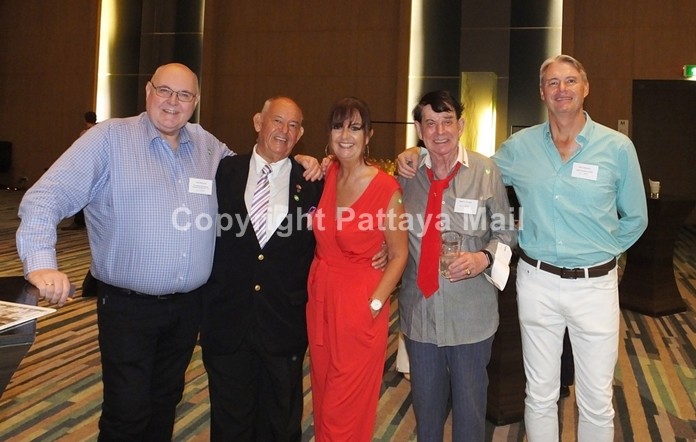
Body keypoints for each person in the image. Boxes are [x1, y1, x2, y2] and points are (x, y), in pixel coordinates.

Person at [16, 63, 321, 441]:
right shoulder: (109, 138)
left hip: (187, 309)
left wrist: (298, 162)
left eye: (184, 95)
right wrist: (41, 263)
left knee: (164, 404)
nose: (173, 102)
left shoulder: (206, 146)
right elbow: (45, 198)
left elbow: (260, 166)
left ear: (196, 101)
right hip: (129, 307)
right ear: (148, 91)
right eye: (165, 91)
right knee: (127, 412)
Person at [397, 55, 648, 442]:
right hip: (538, 282)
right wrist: (418, 152)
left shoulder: (617, 147)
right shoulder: (520, 147)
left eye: (570, 81)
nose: (561, 89)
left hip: (594, 286)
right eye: (552, 82)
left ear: (585, 88)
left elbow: (636, 218)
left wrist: (602, 252)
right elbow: (469, 168)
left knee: (597, 398)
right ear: (542, 92)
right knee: (540, 393)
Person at [199, 96, 388, 442]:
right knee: (229, 424)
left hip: (284, 325)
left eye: (293, 125)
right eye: (277, 121)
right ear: (258, 122)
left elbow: (349, 221)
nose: (284, 131)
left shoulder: (315, 181)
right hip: (228, 323)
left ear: (301, 134)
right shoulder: (223, 172)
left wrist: (384, 245)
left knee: (281, 425)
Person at [396, 90, 516, 441]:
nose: (440, 132)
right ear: (419, 130)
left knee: (469, 415)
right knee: (427, 416)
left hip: (471, 317)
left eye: (447, 121)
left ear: (461, 125)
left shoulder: (485, 170)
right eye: (430, 123)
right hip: (420, 314)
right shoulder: (407, 174)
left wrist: (484, 257)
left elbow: (507, 232)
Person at [306, 97, 408, 441]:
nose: (345, 135)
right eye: (338, 127)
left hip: (359, 306)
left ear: (369, 135)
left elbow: (399, 254)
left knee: (344, 406)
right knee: (323, 397)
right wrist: (305, 159)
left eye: (355, 127)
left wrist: (375, 304)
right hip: (320, 303)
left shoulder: (386, 188)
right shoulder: (328, 174)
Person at [62, 111, 98, 231]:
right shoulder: (101, 131)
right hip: (98, 168)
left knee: (80, 194)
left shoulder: (84, 134)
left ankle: (79, 221)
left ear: (85, 120)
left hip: (85, 169)